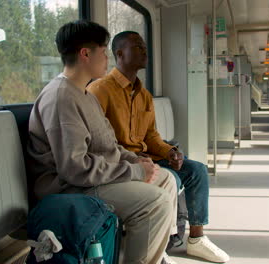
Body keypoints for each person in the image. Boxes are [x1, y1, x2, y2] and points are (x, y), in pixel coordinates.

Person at [27, 21, 178, 264]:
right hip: (70, 188)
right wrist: (136, 171)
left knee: (166, 179)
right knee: (156, 203)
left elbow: (108, 144)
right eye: (104, 52)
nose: (107, 58)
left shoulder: (84, 94)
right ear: (85, 54)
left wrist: (135, 159)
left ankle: (150, 254)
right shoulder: (61, 97)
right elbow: (75, 169)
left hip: (92, 178)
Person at [88, 31, 230, 263]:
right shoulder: (100, 90)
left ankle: (196, 238)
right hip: (122, 162)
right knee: (169, 179)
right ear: (120, 53)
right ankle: (159, 243)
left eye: (144, 45)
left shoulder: (143, 95)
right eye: (137, 45)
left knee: (197, 170)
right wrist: (135, 160)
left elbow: (151, 136)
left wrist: (169, 152)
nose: (145, 49)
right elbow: (99, 142)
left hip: (147, 156)